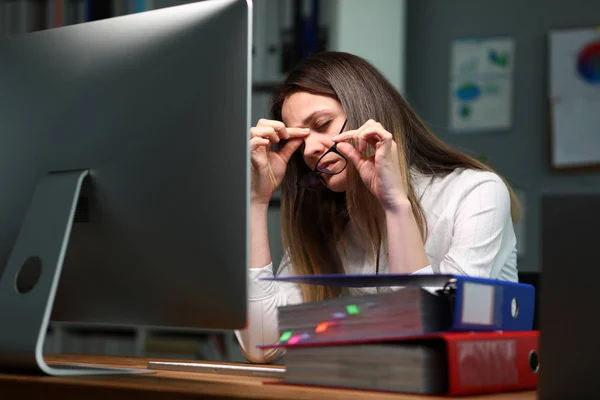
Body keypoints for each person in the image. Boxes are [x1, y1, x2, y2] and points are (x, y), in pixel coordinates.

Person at [236, 51, 521, 363]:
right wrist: (255, 201)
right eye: (299, 140)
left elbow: (431, 344)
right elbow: (263, 344)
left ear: (365, 111)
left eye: (322, 124)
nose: (310, 150)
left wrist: (396, 205)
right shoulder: (328, 218)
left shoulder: (475, 192)